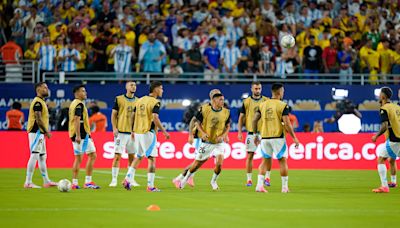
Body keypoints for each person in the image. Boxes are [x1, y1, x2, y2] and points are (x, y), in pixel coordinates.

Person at [122, 81, 170, 192]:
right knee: (152, 159)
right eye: (161, 88)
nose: (162, 90)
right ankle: (150, 186)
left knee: (138, 156)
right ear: (156, 89)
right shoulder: (155, 102)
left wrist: (132, 130)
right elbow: (155, 118)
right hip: (147, 132)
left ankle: (127, 179)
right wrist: (164, 131)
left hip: (138, 132)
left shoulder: (140, 100)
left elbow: (132, 116)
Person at [253, 83, 300, 193]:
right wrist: (294, 137)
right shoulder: (283, 105)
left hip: (264, 137)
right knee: (282, 161)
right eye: (283, 91)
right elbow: (287, 123)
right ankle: (284, 187)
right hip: (277, 137)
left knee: (264, 162)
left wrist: (255, 135)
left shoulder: (263, 104)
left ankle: (259, 186)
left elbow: (254, 120)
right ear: (279, 92)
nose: (283, 93)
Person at [179, 92, 231, 190]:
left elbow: (228, 126)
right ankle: (186, 178)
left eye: (223, 99)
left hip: (218, 143)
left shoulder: (226, 112)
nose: (223, 101)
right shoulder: (204, 109)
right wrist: (202, 133)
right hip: (206, 142)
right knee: (196, 164)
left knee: (219, 164)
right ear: (214, 100)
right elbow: (196, 122)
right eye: (220, 100)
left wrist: (224, 135)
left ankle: (213, 181)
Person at [172, 89, 222, 188]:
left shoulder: (220, 108)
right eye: (216, 95)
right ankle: (179, 178)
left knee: (200, 160)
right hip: (202, 139)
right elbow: (193, 121)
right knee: (198, 161)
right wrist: (190, 135)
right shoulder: (204, 108)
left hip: (213, 140)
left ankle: (187, 177)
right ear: (211, 97)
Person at [24, 82, 57, 188]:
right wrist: (46, 131)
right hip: (36, 132)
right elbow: (38, 118)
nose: (47, 89)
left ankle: (46, 181)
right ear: (38, 89)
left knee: (42, 157)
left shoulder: (41, 102)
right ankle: (28, 182)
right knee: (34, 155)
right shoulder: (37, 102)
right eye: (45, 88)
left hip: (40, 133)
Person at [237, 82, 268, 187]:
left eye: (259, 88)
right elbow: (241, 117)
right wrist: (240, 131)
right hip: (251, 132)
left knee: (266, 156)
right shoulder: (246, 102)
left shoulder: (266, 100)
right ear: (251, 89)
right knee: (250, 156)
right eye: (256, 88)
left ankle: (267, 177)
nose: (258, 90)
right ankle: (249, 180)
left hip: (264, 132)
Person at [69, 85, 100, 189]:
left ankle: (75, 183)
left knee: (80, 158)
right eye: (83, 91)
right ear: (77, 93)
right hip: (81, 135)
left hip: (77, 134)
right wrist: (78, 135)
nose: (85, 93)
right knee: (90, 156)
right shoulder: (79, 104)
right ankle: (87, 182)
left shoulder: (74, 103)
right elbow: (77, 119)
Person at [109, 81, 138, 187]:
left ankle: (130, 179)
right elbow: (113, 114)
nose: (133, 87)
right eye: (131, 85)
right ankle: (114, 179)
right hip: (121, 132)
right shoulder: (119, 99)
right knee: (117, 156)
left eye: (135, 85)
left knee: (132, 157)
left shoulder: (138, 101)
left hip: (132, 134)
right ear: (126, 87)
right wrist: (114, 128)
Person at [371, 87, 400, 193]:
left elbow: (384, 126)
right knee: (391, 160)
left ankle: (384, 186)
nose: (379, 96)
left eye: (380, 94)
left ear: (383, 96)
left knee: (381, 160)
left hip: (394, 139)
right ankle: (392, 182)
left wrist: (376, 136)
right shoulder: (397, 107)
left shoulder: (384, 109)